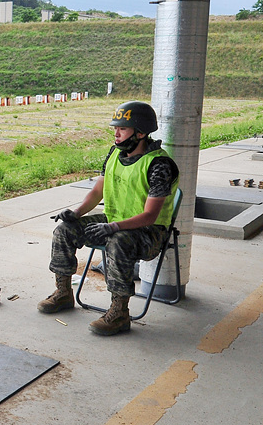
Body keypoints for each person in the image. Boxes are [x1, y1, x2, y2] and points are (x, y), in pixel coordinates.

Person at [37, 101, 179, 336]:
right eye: (116, 128)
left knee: (118, 240)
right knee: (64, 230)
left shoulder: (159, 165)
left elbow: (150, 215)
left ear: (141, 132)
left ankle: (119, 312)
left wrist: (112, 227)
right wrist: (76, 213)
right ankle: (63, 293)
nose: (116, 133)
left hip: (149, 232)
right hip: (113, 222)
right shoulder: (115, 153)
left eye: (122, 129)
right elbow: (97, 192)